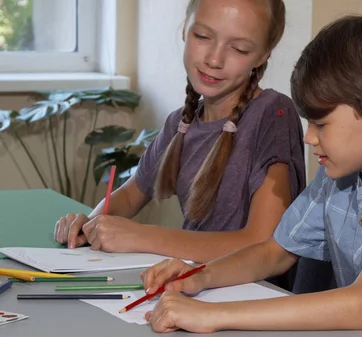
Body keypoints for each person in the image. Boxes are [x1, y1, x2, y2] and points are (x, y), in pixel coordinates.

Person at [140, 10, 362, 336]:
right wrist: (199, 277)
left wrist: (212, 315)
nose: (308, 137)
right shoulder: (341, 169)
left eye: (321, 124)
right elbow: (276, 251)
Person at [53, 0, 306, 272]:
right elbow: (130, 195)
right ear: (185, 29)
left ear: (263, 55)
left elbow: (262, 243)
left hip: (251, 298)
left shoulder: (273, 114)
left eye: (239, 48)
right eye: (203, 36)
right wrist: (90, 224)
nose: (214, 59)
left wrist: (142, 236)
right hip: (189, 291)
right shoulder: (180, 123)